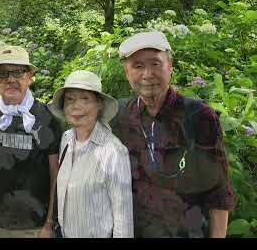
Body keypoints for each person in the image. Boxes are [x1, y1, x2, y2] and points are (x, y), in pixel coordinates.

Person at [110, 31, 236, 238]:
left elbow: (219, 191)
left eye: (155, 64)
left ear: (170, 66)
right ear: (126, 73)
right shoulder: (120, 116)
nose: (147, 74)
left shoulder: (198, 116)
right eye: (138, 66)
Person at [0, 45, 63, 238]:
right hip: (0, 219)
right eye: (3, 74)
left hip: (36, 223)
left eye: (18, 72)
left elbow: (55, 173)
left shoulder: (46, 117)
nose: (10, 80)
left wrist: (50, 222)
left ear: (30, 76)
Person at [49, 70, 133, 238]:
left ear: (99, 104)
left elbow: (123, 217)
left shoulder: (113, 151)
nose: (76, 106)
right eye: (70, 99)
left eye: (85, 99)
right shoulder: (66, 139)